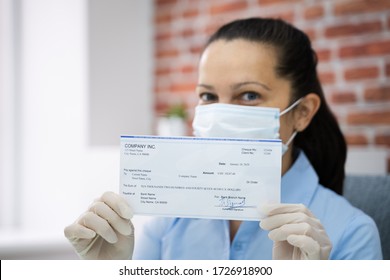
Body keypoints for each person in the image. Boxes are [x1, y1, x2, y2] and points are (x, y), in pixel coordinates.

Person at [64, 17, 382, 260]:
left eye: (248, 95)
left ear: (303, 112)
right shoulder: (169, 220)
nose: (221, 114)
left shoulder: (352, 233)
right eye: (208, 95)